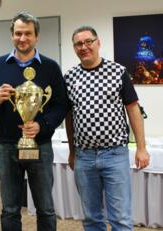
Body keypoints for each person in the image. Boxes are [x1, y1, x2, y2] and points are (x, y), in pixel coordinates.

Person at [0, 11, 67, 231]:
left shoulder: (50, 67)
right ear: (12, 36)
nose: (22, 38)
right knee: (10, 208)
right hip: (7, 145)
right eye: (18, 33)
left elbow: (61, 105)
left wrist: (42, 125)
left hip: (41, 145)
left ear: (36, 36)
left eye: (28, 33)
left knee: (45, 207)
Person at [64, 26, 150, 231]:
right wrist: (72, 152)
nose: (84, 47)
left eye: (88, 42)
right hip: (84, 157)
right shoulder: (69, 77)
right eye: (78, 44)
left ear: (98, 42)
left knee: (120, 218)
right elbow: (69, 117)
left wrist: (141, 147)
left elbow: (133, 110)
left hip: (115, 155)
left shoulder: (118, 72)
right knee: (92, 218)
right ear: (74, 48)